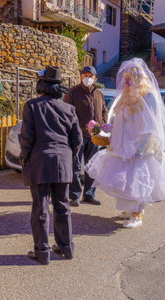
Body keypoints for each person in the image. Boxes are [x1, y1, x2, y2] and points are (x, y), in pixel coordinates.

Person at [85, 58, 165, 228]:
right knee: (124, 182)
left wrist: (141, 147)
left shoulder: (149, 97)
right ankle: (128, 210)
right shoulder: (126, 97)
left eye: (129, 79)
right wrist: (110, 127)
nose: (126, 82)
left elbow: (151, 125)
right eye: (125, 79)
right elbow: (124, 121)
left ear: (138, 79)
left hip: (140, 147)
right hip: (122, 146)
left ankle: (137, 214)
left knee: (139, 181)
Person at [20, 66, 83, 265]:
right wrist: (69, 157)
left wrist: (25, 159)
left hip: (40, 161)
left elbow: (26, 138)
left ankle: (42, 251)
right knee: (62, 205)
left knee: (40, 207)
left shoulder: (32, 106)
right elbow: (78, 139)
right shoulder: (69, 108)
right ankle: (66, 247)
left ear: (41, 85)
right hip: (62, 161)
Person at [64, 65, 108, 206]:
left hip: (95, 136)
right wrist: (75, 129)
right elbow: (67, 113)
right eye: (85, 75)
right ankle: (74, 196)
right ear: (81, 76)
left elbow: (104, 110)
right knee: (75, 166)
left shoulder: (99, 93)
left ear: (95, 78)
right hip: (78, 136)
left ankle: (89, 195)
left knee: (92, 166)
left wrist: (103, 125)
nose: (87, 78)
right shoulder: (73, 92)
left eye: (90, 76)